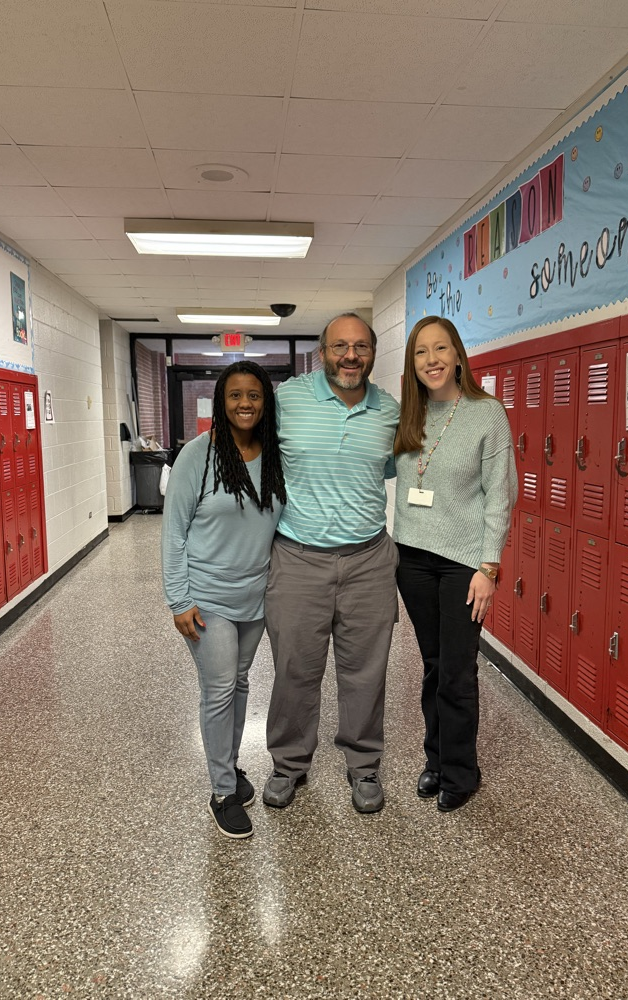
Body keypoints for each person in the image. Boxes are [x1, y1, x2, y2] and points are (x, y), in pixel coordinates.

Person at [263, 313, 400, 814]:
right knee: (294, 670)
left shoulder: (389, 411)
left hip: (369, 562)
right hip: (298, 559)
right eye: (340, 346)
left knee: (366, 672)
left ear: (373, 353)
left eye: (361, 347)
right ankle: (288, 763)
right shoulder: (287, 400)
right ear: (322, 351)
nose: (350, 356)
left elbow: (390, 470)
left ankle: (364, 765)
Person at [393, 316, 517, 813]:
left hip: (463, 563)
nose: (432, 360)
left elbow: (499, 496)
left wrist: (489, 568)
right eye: (421, 352)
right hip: (412, 558)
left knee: (457, 670)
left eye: (441, 348)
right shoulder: (409, 415)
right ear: (412, 364)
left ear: (459, 356)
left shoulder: (487, 414)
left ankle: (462, 772)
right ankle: (437, 760)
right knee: (433, 664)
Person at [161, 361, 286, 840]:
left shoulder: (273, 454)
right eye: (235, 395)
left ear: (265, 402)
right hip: (207, 597)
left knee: (238, 682)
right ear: (220, 401)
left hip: (255, 595)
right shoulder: (198, 455)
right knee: (218, 689)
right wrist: (178, 599)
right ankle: (221, 792)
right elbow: (173, 533)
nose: (245, 403)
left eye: (254, 395)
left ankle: (229, 766)